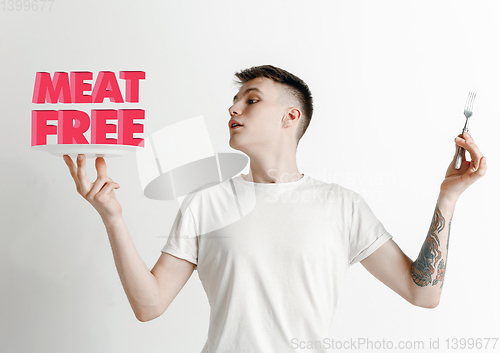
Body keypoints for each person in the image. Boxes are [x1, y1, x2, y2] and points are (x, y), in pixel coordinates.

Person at [63, 65, 487, 352]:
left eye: (250, 100)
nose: (232, 109)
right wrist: (113, 218)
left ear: (290, 116)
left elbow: (423, 293)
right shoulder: (206, 203)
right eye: (235, 101)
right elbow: (149, 306)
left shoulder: (342, 206)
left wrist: (447, 198)